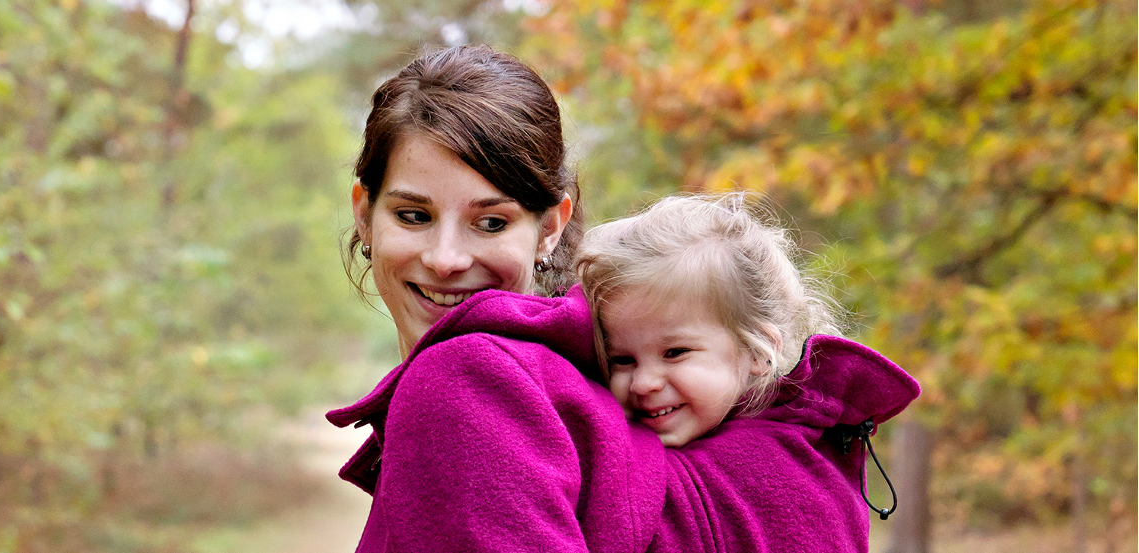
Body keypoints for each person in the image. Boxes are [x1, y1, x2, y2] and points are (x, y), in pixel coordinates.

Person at [325, 45, 668, 552]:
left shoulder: (464, 382)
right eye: (414, 216)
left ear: (550, 227)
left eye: (491, 223)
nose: (446, 260)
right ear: (364, 213)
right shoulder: (566, 382)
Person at [575, 193, 922, 552]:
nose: (644, 383)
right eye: (621, 360)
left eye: (675, 353)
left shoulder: (783, 469)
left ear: (757, 350)